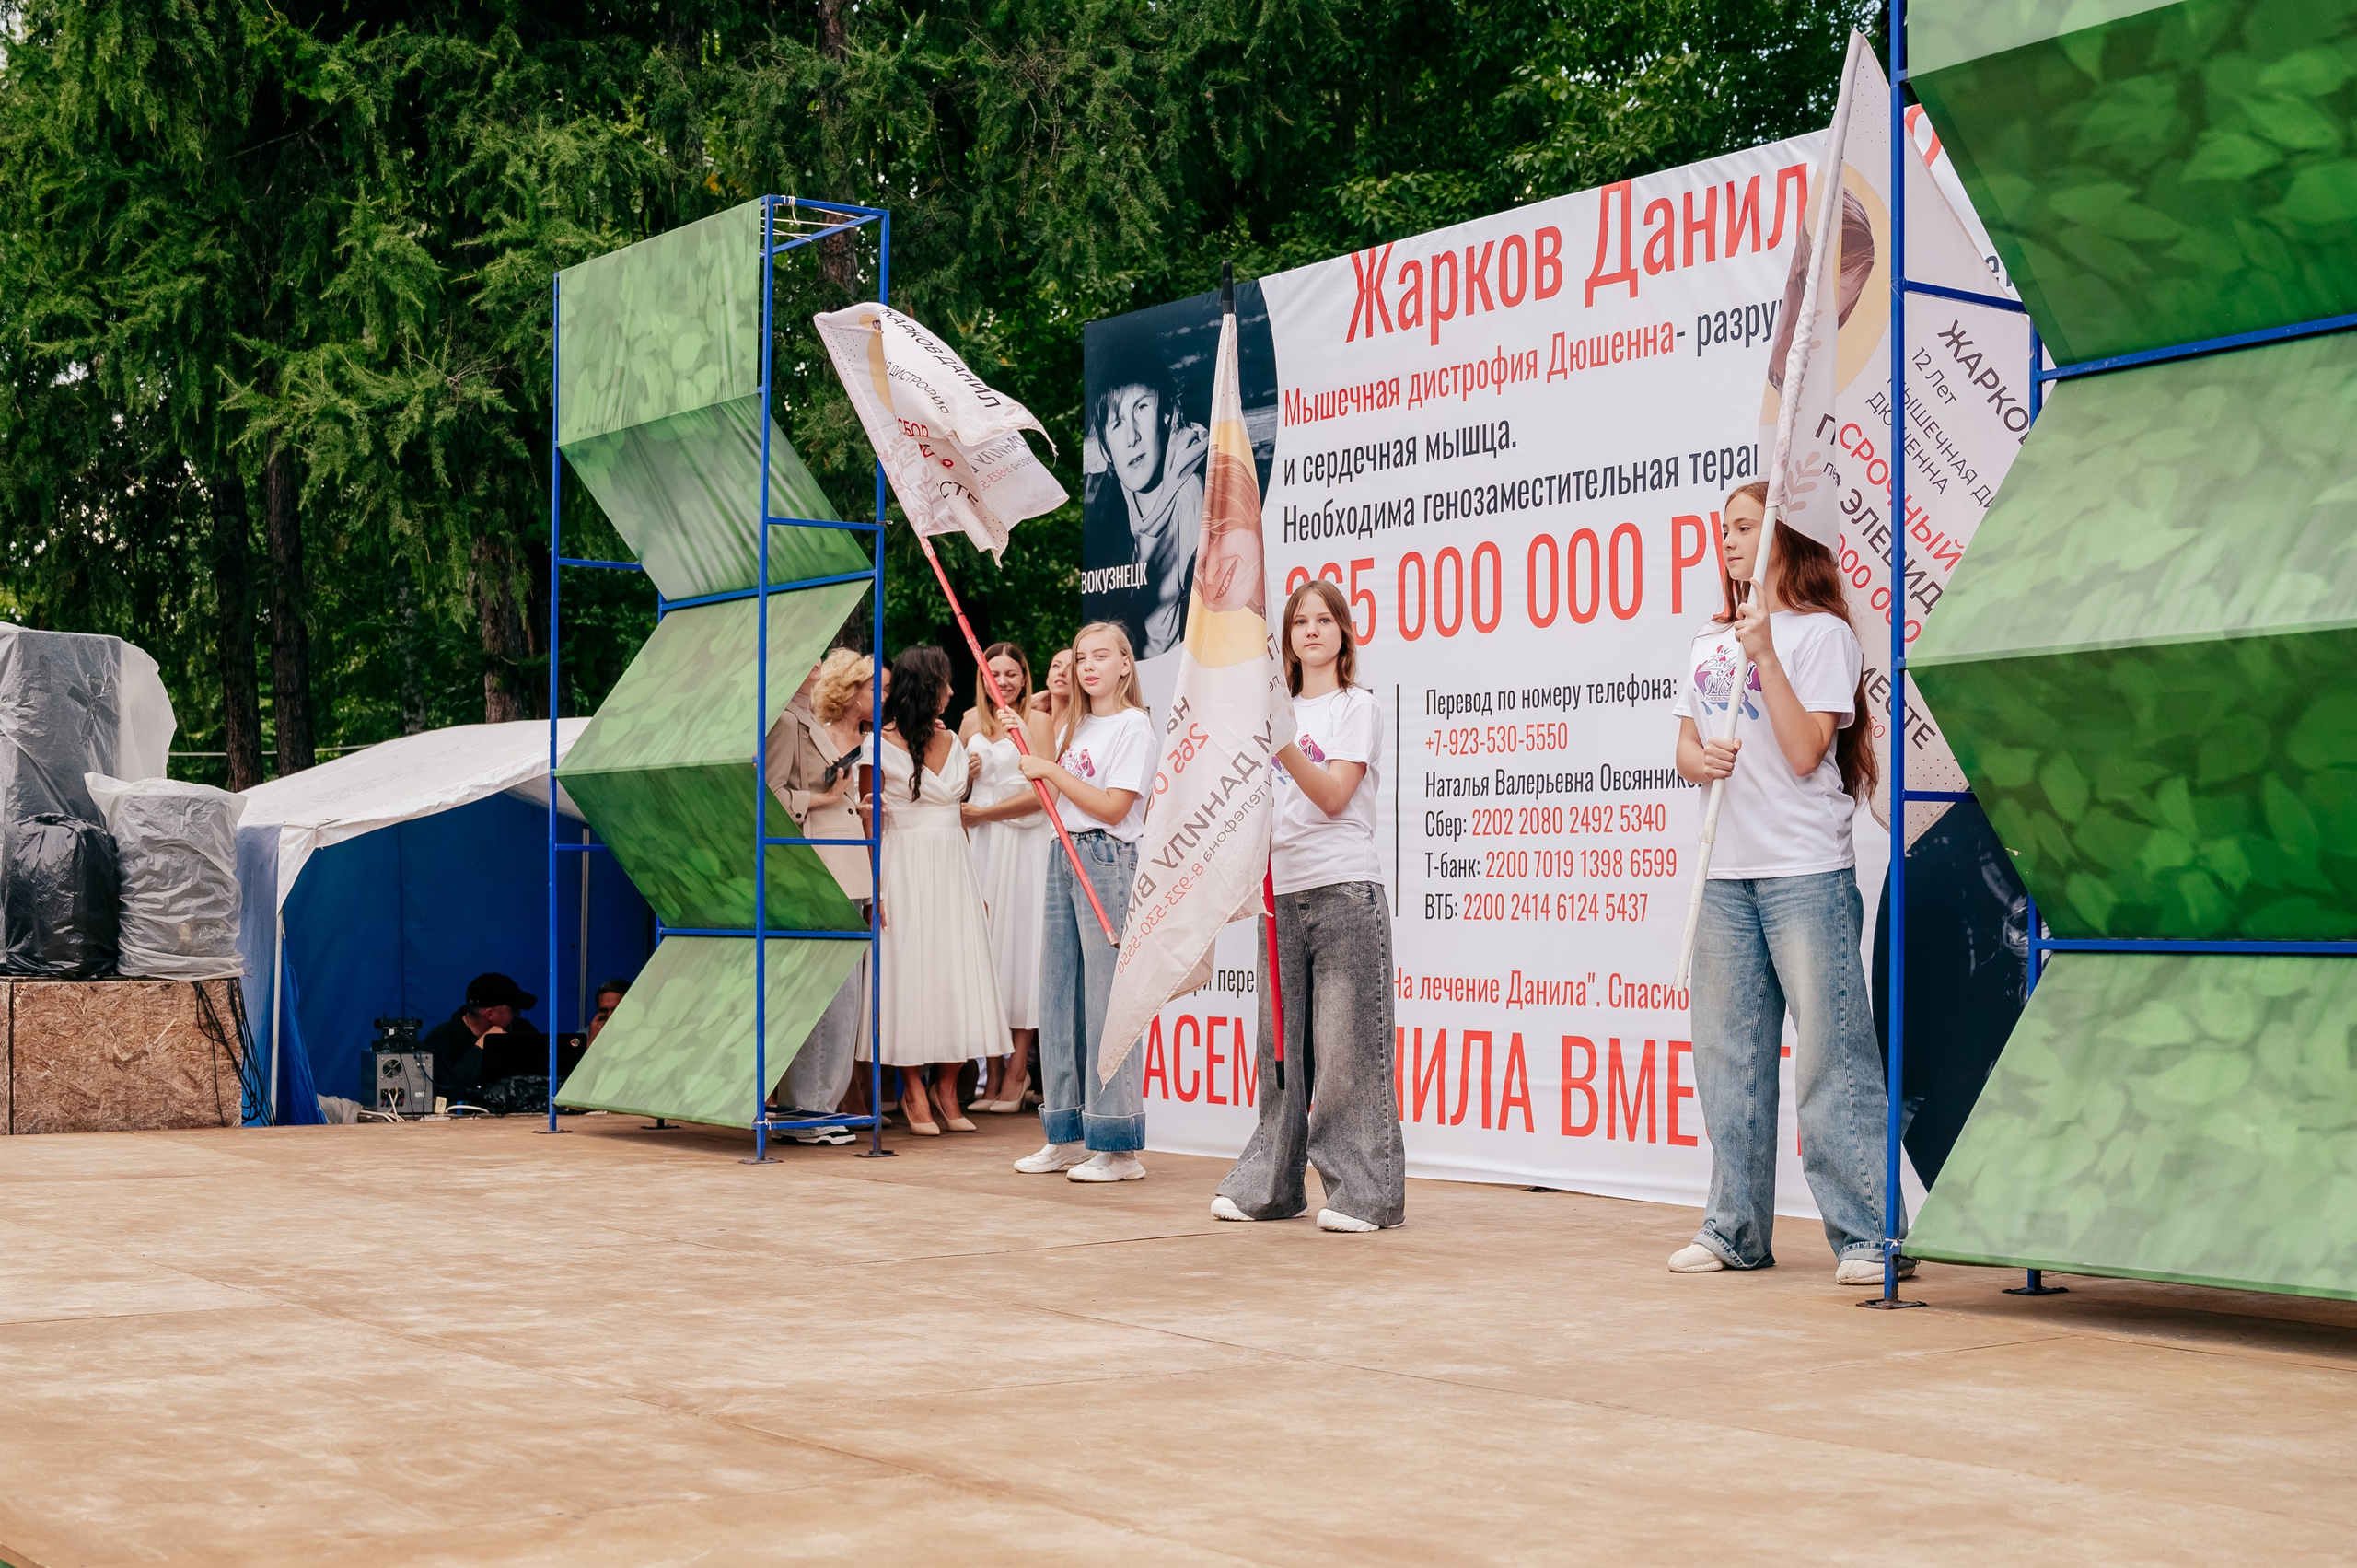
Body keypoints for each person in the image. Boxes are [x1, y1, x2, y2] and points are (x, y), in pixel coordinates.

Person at [1668, 480, 1894, 1285]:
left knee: (1831, 1050)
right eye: (1722, 528)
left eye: (1744, 527)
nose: (1727, 540)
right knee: (1729, 1054)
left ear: (1782, 538)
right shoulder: (1706, 640)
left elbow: (1805, 752)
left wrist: (1763, 653)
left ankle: (1870, 1233)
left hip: (1804, 869)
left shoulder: (1820, 636)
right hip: (1727, 870)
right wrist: (1702, 759)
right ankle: (1733, 1228)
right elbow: (1688, 748)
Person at [1211, 579, 1404, 1232]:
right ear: (1286, 639)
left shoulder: (1357, 707)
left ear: (1345, 633)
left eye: (1326, 620)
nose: (1312, 630)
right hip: (1279, 895)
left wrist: (1280, 738)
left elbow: (1331, 796)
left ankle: (1365, 1195)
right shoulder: (1276, 711)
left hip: (1344, 889)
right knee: (1280, 1052)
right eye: (1300, 622)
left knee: (1348, 1051)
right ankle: (1272, 1183)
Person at [1012, 622, 1155, 1181]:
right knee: (1058, 996)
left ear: (1125, 663)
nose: (1087, 665)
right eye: (1079, 656)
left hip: (1106, 859)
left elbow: (1114, 807)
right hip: (1061, 854)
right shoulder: (1082, 725)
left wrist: (1050, 768)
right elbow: (1047, 790)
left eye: (1101, 655)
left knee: (1105, 1002)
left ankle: (1117, 1145)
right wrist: (1039, 726)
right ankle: (1067, 1134)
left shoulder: (1133, 727)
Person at [861, 645, 1009, 1133]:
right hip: (902, 865)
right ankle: (913, 1090)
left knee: (955, 974)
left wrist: (975, 885)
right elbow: (869, 825)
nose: (950, 691)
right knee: (908, 973)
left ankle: (948, 1086)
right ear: (925, 689)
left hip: (953, 866)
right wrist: (874, 888)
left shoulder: (956, 743)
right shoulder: (875, 747)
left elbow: (956, 817)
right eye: (943, 683)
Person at [764, 647, 875, 1135]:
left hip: (843, 862)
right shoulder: (786, 720)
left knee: (841, 991)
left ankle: (815, 1108)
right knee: (829, 992)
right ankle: (809, 1111)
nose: (813, 660)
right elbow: (767, 795)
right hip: (822, 866)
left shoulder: (805, 718)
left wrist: (849, 803)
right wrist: (823, 798)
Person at [958, 643, 1054, 1113]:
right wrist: (966, 775)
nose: (1005, 680)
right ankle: (990, 1076)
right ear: (983, 675)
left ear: (1024, 676)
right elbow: (948, 788)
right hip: (981, 847)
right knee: (986, 956)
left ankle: (1017, 1074)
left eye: (1013, 672)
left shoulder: (1037, 722)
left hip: (1021, 845)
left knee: (1020, 951)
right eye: (995, 671)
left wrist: (984, 811)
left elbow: (1046, 792)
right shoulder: (968, 722)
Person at [1084, 336, 1207, 658]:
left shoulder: (1188, 494)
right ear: (1106, 446)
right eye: (1117, 422)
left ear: (1165, 413)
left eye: (1142, 407)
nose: (1132, 436)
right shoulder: (1108, 501)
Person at [423, 972, 547, 1109]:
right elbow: (445, 1088)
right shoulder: (440, 1039)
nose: (518, 1014)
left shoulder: (522, 1030)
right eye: (514, 1009)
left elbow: (542, 1076)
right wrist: (481, 1048)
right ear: (490, 1014)